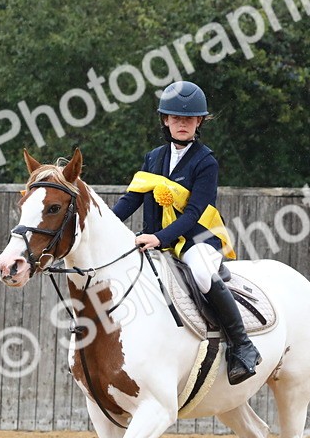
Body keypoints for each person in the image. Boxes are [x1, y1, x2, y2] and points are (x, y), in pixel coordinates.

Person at [112, 81, 261, 384]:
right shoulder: (153, 158)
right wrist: (105, 224)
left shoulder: (206, 162)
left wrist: (159, 238)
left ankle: (242, 345)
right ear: (165, 120)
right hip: (157, 241)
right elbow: (131, 199)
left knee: (203, 274)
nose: (183, 124)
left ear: (199, 122)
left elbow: (194, 213)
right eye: (176, 118)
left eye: (190, 119)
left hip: (197, 240)